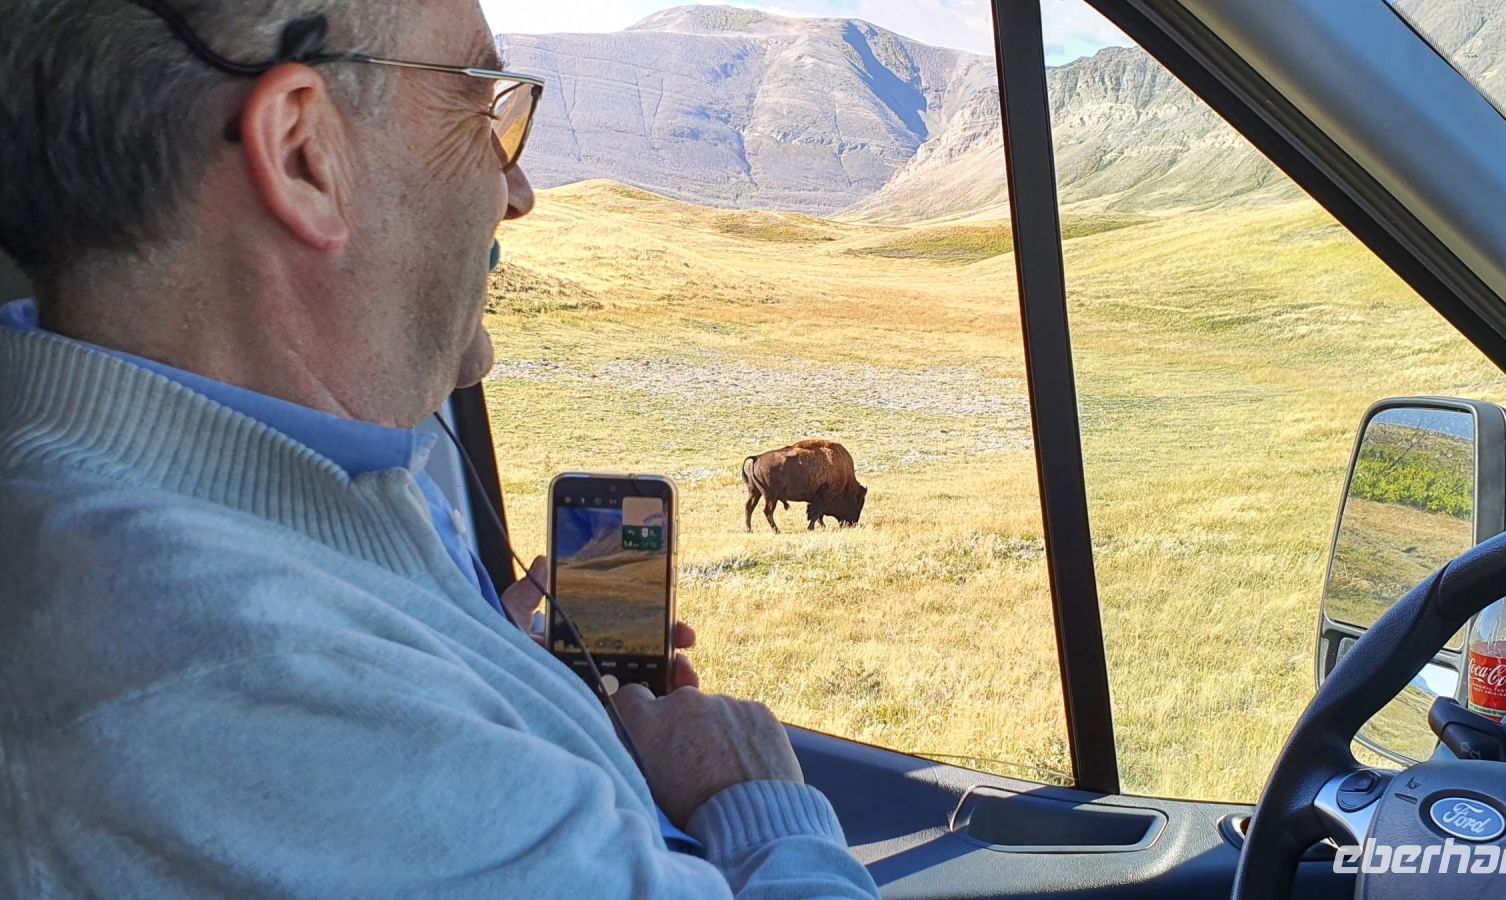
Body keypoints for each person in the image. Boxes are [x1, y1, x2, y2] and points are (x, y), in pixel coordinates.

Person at [0, 1, 879, 897]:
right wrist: (759, 801)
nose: (520, 192)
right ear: (306, 154)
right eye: (479, 107)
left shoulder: (257, 509)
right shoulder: (243, 675)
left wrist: (483, 660)